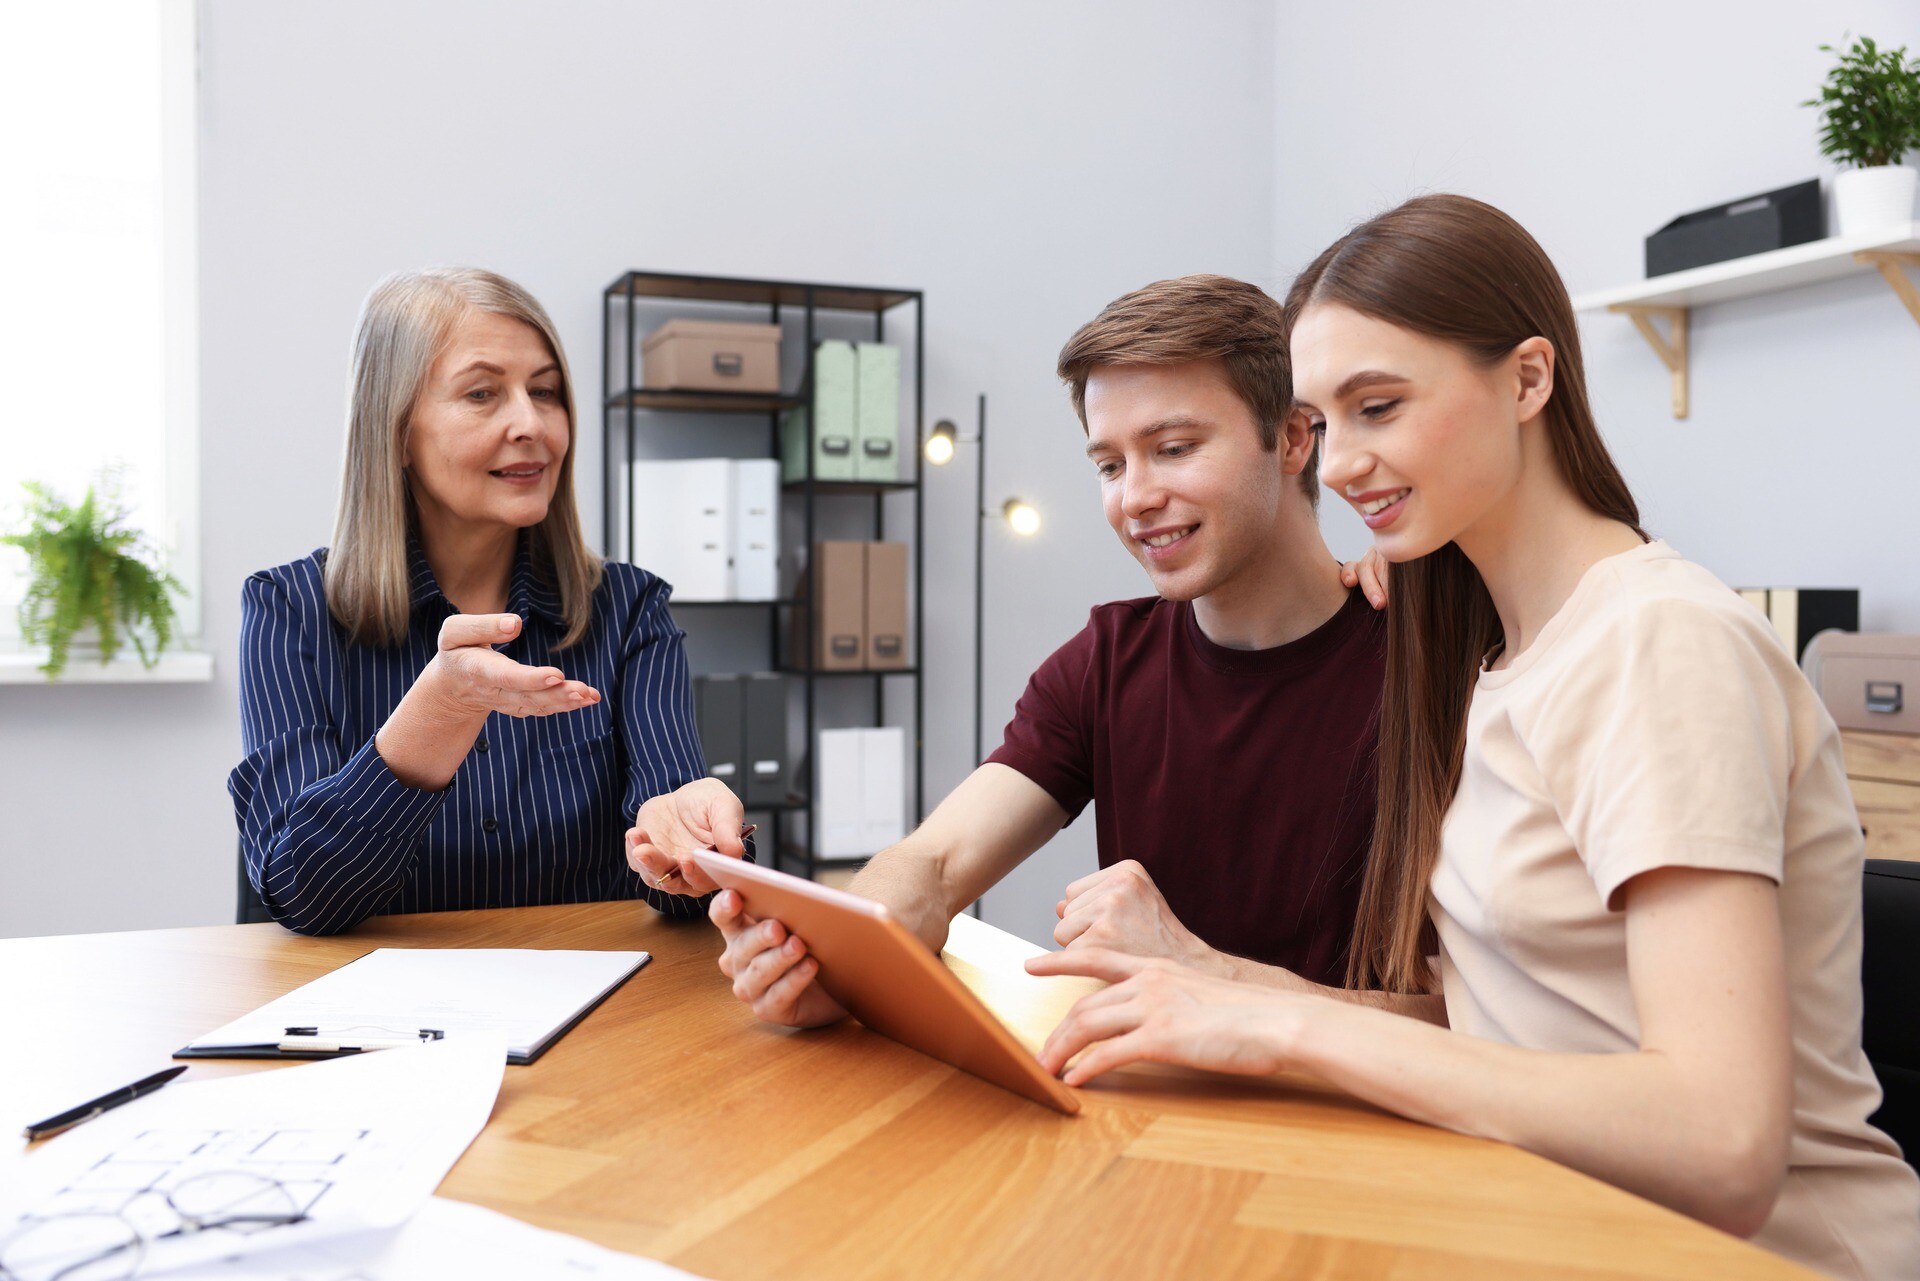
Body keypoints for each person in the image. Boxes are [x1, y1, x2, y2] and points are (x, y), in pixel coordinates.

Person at [1030, 196, 1920, 1279]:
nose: (1343, 462)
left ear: (1529, 380)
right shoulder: (1491, 664)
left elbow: (1720, 1141)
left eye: (1382, 406)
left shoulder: (1658, 643)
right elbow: (1516, 1039)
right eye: (1327, 420)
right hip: (1539, 1224)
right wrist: (1215, 983)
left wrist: (1275, 1030)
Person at [631, 274, 1388, 1028]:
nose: (1136, 497)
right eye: (1110, 465)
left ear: (1292, 437)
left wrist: (1205, 975)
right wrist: (835, 959)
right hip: (1145, 1115)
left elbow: (1485, 1032)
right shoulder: (1107, 660)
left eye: (1174, 447)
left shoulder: (1428, 661)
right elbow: (931, 866)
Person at [229, 267, 742, 936]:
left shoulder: (628, 609)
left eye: (546, 392)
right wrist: (440, 710)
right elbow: (303, 895)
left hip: (595, 1016)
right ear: (397, 430)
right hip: (381, 1023)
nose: (532, 423)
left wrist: (694, 847)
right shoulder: (289, 610)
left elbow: (679, 884)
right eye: (482, 393)